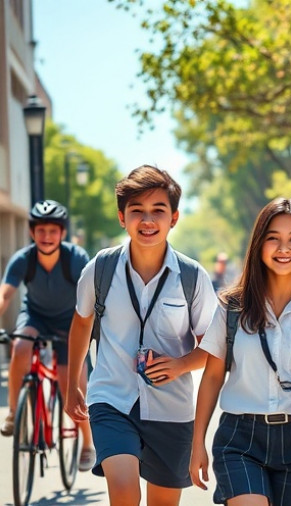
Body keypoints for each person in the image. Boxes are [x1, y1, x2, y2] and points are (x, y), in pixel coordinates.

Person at [65, 166, 218, 506]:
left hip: (171, 409)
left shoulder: (192, 276)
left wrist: (180, 365)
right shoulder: (100, 268)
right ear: (122, 217)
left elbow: (213, 344)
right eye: (137, 211)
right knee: (123, 491)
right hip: (111, 399)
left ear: (174, 218)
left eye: (158, 211)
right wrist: (73, 382)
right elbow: (81, 323)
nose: (147, 221)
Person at [190, 198, 291, 505]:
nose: (283, 248)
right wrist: (197, 443)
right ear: (259, 245)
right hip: (241, 440)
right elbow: (211, 378)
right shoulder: (232, 307)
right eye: (273, 238)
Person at [0, 200, 95, 470]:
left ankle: (87, 442)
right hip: (36, 317)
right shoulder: (23, 259)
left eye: (53, 231)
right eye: (41, 230)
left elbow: (90, 297)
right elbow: (5, 293)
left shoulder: (76, 258)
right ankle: (12, 415)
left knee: (72, 385)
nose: (46, 237)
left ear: (62, 233)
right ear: (32, 232)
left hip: (71, 322)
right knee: (20, 345)